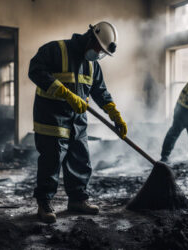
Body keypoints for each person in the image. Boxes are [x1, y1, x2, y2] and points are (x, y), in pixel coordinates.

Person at [28, 21, 127, 223]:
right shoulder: (55, 50)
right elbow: (35, 70)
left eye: (102, 53)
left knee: (81, 160)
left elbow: (101, 93)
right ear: (90, 37)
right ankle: (44, 203)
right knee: (51, 162)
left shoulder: (93, 65)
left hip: (77, 123)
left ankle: (78, 200)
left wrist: (115, 115)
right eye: (99, 49)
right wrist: (65, 93)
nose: (98, 54)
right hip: (51, 120)